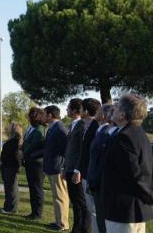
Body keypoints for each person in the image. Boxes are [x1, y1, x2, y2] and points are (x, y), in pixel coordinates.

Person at [102, 94, 153, 233]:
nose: (113, 109)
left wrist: (149, 196)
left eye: (117, 107)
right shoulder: (138, 133)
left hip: (124, 210)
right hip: (132, 208)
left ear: (122, 115)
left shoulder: (124, 137)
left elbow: (134, 175)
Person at [63, 98, 91, 233]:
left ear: (74, 110)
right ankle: (76, 228)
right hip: (69, 168)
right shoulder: (72, 125)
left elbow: (82, 150)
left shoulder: (82, 125)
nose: (66, 110)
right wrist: (64, 167)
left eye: (68, 107)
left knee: (81, 203)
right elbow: (69, 149)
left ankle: (83, 229)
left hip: (76, 170)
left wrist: (77, 170)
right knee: (75, 202)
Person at [87, 104, 115, 233]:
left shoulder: (106, 133)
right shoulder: (100, 130)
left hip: (99, 183)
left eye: (99, 111)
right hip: (94, 180)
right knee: (97, 216)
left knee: (102, 220)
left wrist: (94, 181)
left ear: (104, 115)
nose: (96, 113)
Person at [44, 105, 70, 231]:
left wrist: (63, 167)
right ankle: (58, 221)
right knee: (55, 196)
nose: (43, 116)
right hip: (51, 166)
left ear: (50, 115)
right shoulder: (52, 128)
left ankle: (63, 224)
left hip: (58, 167)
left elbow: (66, 150)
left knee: (61, 196)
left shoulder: (60, 129)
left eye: (44, 114)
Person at [78, 98, 102, 233]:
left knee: (93, 210)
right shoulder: (88, 126)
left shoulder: (95, 128)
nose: (80, 111)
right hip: (86, 172)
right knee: (90, 208)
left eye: (81, 108)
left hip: (90, 174)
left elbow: (92, 154)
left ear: (86, 111)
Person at [23, 107, 46, 220]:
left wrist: (22, 152)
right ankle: (33, 212)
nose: (29, 116)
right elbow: (26, 143)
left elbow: (33, 146)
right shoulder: (31, 128)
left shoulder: (39, 129)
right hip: (30, 162)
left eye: (31, 114)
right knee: (32, 187)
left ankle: (37, 213)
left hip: (37, 163)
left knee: (37, 188)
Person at [0, 122, 23, 214]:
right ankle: (7, 206)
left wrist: (17, 166)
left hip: (11, 166)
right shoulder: (12, 140)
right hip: (7, 165)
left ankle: (12, 208)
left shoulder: (15, 141)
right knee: (8, 187)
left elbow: (16, 156)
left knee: (11, 188)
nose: (7, 128)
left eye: (10, 127)